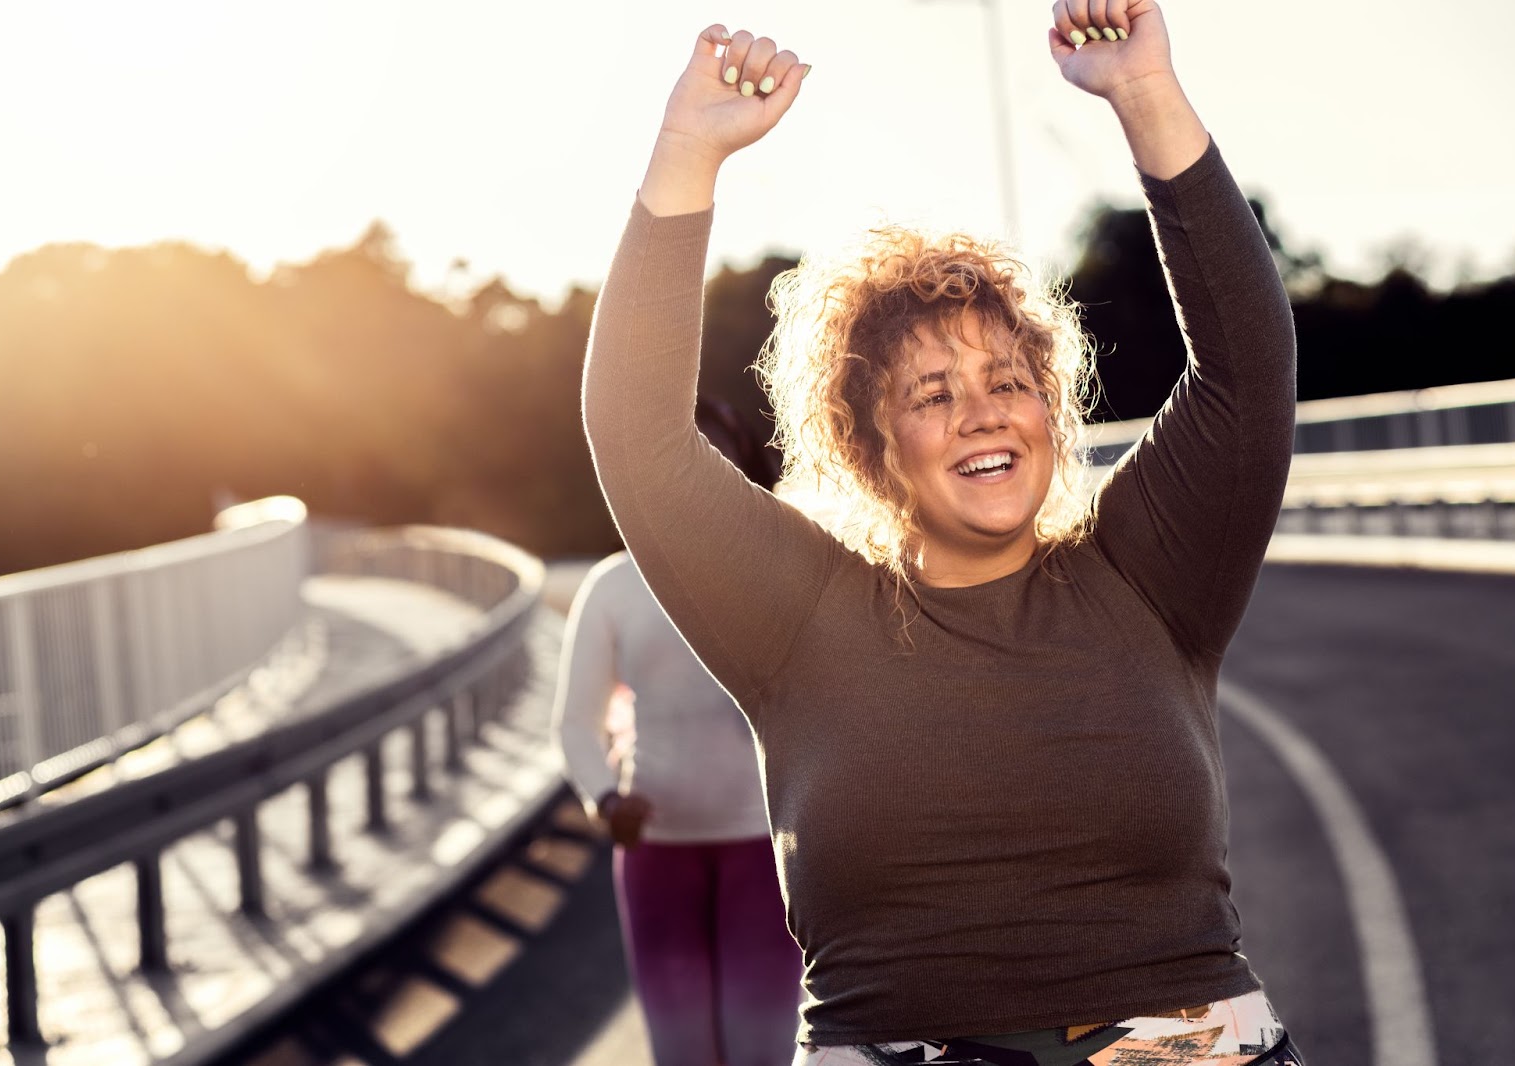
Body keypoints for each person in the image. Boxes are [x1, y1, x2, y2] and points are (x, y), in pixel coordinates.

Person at [583, 0, 1306, 1062]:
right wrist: (688, 152)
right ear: (870, 448)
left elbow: (1248, 373)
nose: (981, 413)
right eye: (931, 394)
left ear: (1046, 414)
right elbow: (637, 435)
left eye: (1008, 382)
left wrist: (1145, 95)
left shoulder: (1151, 573)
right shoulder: (797, 615)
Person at [553, 397, 800, 1066]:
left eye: (713, 453)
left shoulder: (785, 571)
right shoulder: (613, 587)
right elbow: (576, 725)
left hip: (767, 856)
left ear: (744, 466)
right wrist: (604, 799)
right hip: (656, 854)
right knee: (683, 1053)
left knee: (764, 1053)